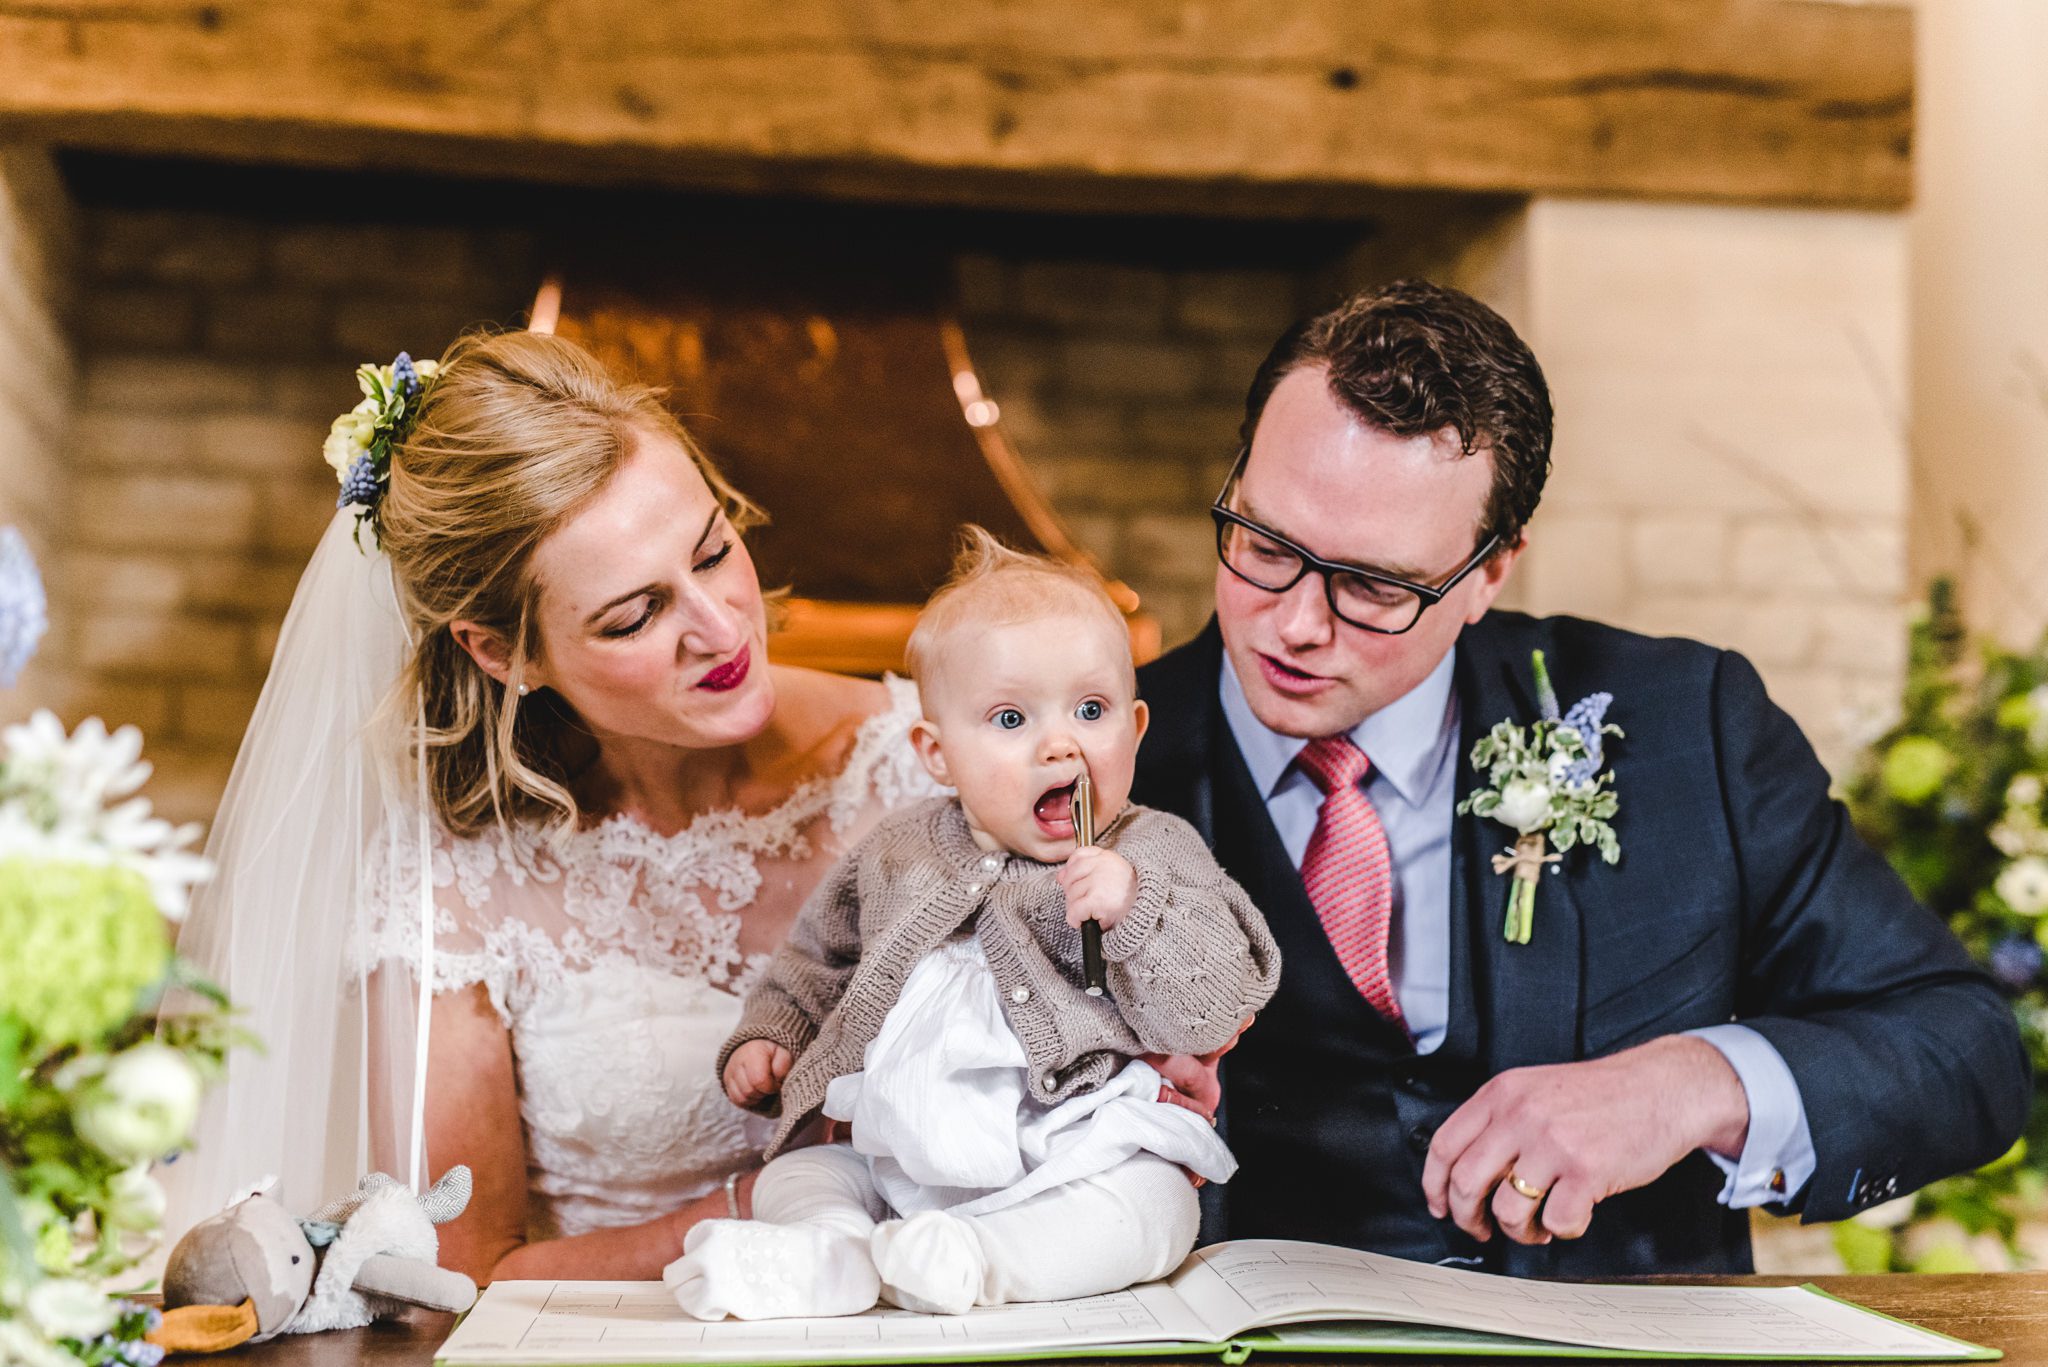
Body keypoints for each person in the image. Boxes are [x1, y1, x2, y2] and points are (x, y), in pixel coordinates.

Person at [1130, 279, 2031, 1277]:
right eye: (1262, 544)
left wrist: (1694, 1083)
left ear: (1489, 572)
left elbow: (1965, 1049)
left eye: (1373, 585)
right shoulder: (1096, 769)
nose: (1295, 623)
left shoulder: (1687, 726)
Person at [165, 330, 955, 1282]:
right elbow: (456, 1271)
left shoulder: (935, 758)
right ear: (505, 654)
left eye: (712, 550)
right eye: (634, 615)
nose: (719, 627)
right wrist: (766, 1206)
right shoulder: (456, 882)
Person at [665, 530, 1279, 1319]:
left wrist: (1135, 910)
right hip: (896, 1145)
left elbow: (1216, 1001)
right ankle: (833, 1251)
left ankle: (981, 1260)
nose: (1061, 743)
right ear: (937, 753)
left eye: (1090, 710)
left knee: (1156, 1207)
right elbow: (817, 959)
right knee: (799, 1174)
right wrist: (775, 1033)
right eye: (1011, 718)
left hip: (1066, 1142)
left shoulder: (1152, 850)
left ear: (1135, 726)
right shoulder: (896, 851)